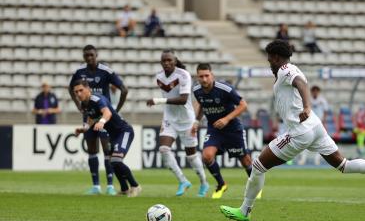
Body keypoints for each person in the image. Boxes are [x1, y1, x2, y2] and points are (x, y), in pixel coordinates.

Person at [219, 40, 365, 221]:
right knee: (343, 165)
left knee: (258, 166)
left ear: (277, 58)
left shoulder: (286, 70)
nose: (269, 63)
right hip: (315, 127)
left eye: (270, 59)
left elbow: (301, 84)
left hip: (300, 131)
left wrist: (306, 106)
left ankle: (245, 210)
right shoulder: (288, 71)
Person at [146, 50, 208, 197]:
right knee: (163, 149)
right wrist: (164, 111)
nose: (167, 63)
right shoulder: (159, 77)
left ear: (175, 61)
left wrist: (158, 101)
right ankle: (183, 181)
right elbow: (168, 97)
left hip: (187, 120)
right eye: (164, 61)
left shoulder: (183, 75)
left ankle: (204, 182)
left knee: (191, 156)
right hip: (170, 119)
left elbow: (183, 99)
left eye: (169, 60)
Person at [69, 45, 129, 195]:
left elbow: (124, 89)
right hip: (88, 115)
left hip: (104, 116)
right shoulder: (79, 71)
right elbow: (71, 88)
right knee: (92, 150)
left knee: (107, 150)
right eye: (86, 55)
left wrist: (116, 110)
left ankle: (110, 185)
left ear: (96, 55)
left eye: (91, 55)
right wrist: (79, 106)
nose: (89, 58)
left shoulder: (105, 71)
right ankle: (96, 186)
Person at [192, 63, 257, 199]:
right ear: (197, 77)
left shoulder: (224, 88)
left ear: (212, 75)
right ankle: (221, 184)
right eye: (201, 76)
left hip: (233, 128)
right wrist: (196, 122)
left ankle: (255, 186)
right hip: (214, 129)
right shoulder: (197, 90)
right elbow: (203, 106)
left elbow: (243, 105)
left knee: (245, 160)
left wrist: (226, 119)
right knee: (207, 156)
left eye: (206, 76)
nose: (204, 79)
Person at [72, 80, 141, 197]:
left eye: (81, 90)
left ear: (88, 89)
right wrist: (84, 129)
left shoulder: (97, 99)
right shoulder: (85, 104)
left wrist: (102, 121)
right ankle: (124, 189)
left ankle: (135, 186)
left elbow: (107, 113)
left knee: (116, 160)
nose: (78, 94)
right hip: (114, 135)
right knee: (112, 162)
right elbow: (91, 118)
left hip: (124, 131)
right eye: (76, 92)